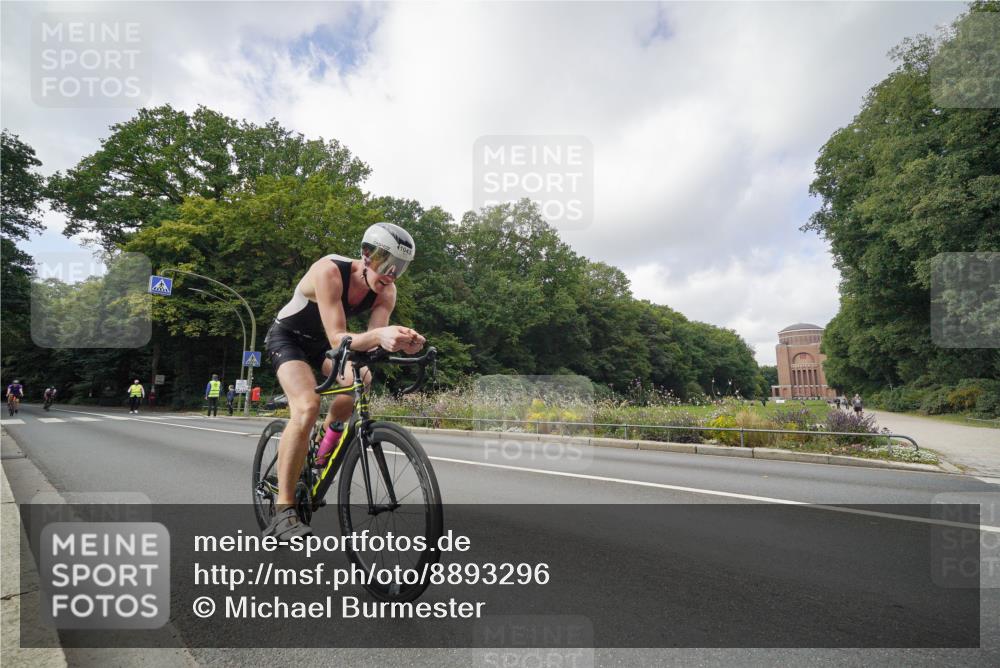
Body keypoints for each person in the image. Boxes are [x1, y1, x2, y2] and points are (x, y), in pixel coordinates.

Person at [262, 222, 424, 539]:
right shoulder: (329, 271)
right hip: (288, 339)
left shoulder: (386, 291)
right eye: (386, 262)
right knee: (307, 406)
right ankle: (283, 511)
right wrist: (379, 334)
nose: (391, 274)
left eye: (400, 268)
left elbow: (371, 343)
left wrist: (402, 340)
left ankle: (321, 454)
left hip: (322, 345)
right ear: (366, 254)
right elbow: (338, 339)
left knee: (361, 377)